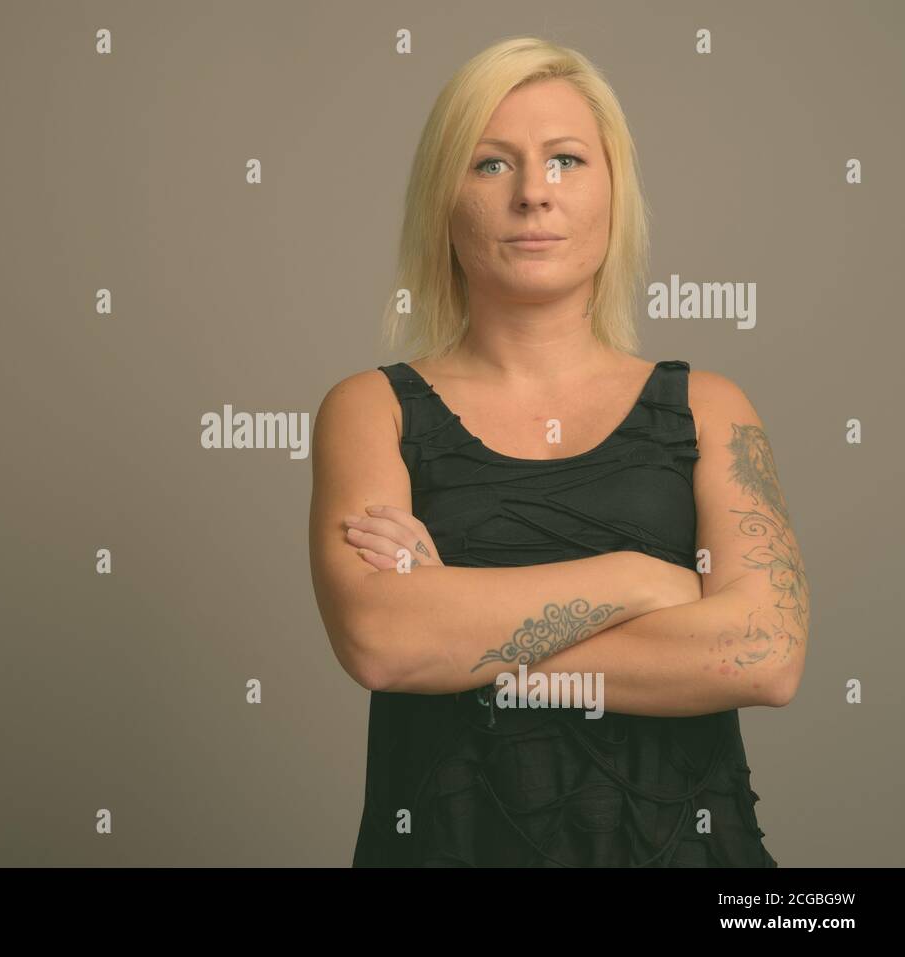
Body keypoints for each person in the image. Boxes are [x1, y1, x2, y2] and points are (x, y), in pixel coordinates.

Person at [307, 36, 810, 867]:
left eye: (568, 160)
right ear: (444, 197)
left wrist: (462, 637)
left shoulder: (711, 410)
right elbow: (382, 640)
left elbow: (764, 654)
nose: (535, 194)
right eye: (492, 165)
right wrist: (644, 583)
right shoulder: (370, 410)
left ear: (616, 194)